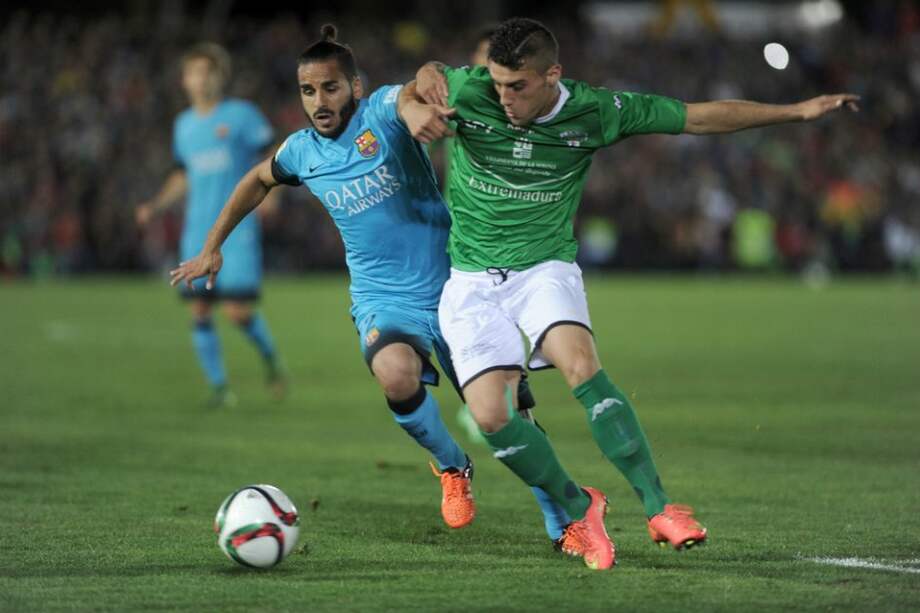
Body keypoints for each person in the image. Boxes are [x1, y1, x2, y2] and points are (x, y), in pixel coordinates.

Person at [407, 17, 859, 569]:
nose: (503, 97)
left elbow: (696, 117)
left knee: (580, 366)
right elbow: (417, 85)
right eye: (497, 83)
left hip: (543, 268)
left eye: (518, 86)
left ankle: (660, 506)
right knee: (491, 417)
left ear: (553, 74)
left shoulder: (598, 111)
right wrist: (419, 91)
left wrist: (795, 111)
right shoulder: (469, 89)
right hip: (472, 281)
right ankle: (580, 505)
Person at [169, 26, 570, 540]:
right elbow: (257, 179)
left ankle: (562, 519)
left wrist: (419, 106)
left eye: (330, 88)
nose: (319, 101)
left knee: (508, 417)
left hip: (455, 288)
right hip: (383, 298)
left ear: (354, 87)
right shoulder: (301, 152)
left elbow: (405, 97)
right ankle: (452, 467)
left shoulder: (380, 111)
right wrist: (212, 246)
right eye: (308, 91)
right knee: (395, 375)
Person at [136, 43, 285, 408]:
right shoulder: (183, 126)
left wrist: (275, 194)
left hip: (238, 228)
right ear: (184, 81)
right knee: (199, 309)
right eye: (194, 73)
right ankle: (219, 389)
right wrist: (155, 206)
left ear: (220, 77)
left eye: (208, 72)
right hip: (197, 230)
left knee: (237, 311)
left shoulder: (241, 115)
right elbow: (182, 176)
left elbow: (272, 153)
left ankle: (272, 362)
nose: (200, 80)